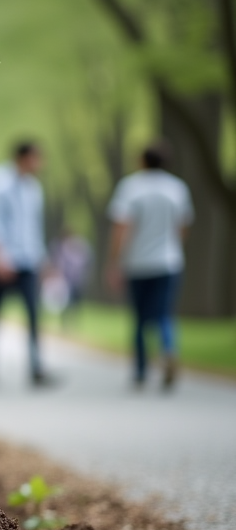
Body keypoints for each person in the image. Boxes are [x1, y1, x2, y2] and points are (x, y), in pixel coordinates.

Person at [105, 144, 193, 389]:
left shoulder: (131, 187)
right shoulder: (177, 188)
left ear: (142, 161)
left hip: (137, 263)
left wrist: (114, 261)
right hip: (169, 261)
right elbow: (182, 226)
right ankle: (169, 349)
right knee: (164, 314)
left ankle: (141, 371)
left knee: (140, 318)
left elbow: (121, 228)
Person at [0, 141, 50, 385]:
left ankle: (36, 367)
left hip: (28, 260)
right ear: (23, 158)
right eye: (36, 159)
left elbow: (33, 229)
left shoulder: (33, 188)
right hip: (4, 261)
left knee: (33, 314)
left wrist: (43, 261)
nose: (39, 164)